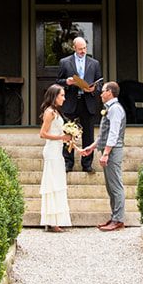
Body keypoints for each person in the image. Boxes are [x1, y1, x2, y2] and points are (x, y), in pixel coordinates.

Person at [56, 35, 102, 172]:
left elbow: (100, 83)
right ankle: (68, 163)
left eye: (84, 48)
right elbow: (58, 81)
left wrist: (94, 89)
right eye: (80, 49)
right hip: (71, 101)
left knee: (88, 134)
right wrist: (67, 82)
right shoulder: (65, 62)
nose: (83, 51)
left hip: (88, 102)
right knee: (68, 132)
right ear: (74, 48)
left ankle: (87, 164)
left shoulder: (94, 63)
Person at [92, 81, 128, 231]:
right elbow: (104, 133)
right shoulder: (110, 108)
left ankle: (118, 219)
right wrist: (92, 147)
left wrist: (106, 153)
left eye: (103, 91)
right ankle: (114, 216)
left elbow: (113, 134)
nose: (101, 94)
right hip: (109, 150)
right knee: (110, 186)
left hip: (113, 151)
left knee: (116, 186)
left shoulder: (115, 109)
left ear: (110, 92)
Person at [36, 84, 71, 232]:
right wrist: (61, 137)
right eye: (61, 95)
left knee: (58, 182)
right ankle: (51, 221)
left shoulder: (56, 112)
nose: (64, 98)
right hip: (51, 151)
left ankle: (56, 219)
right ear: (54, 96)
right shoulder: (49, 112)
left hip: (57, 150)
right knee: (53, 183)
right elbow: (42, 134)